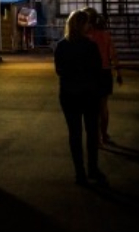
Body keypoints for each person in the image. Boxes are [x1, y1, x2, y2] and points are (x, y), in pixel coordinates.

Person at [54, 10, 106, 186]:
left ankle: (80, 172)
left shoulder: (61, 46)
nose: (89, 26)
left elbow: (59, 70)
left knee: (74, 134)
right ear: (82, 25)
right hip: (89, 94)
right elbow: (98, 71)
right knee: (92, 133)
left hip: (69, 94)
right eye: (87, 23)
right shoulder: (90, 46)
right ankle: (93, 168)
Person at [82, 7, 122, 146]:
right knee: (103, 107)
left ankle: (94, 137)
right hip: (105, 72)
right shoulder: (106, 35)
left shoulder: (85, 36)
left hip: (89, 74)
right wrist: (118, 72)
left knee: (91, 108)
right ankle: (104, 135)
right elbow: (113, 54)